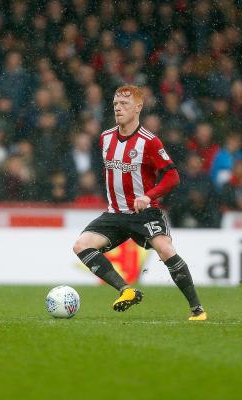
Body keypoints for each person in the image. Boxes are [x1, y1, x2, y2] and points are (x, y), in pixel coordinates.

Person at [72, 85, 207, 321]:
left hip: (144, 213)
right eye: (115, 104)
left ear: (138, 107)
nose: (118, 108)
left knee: (165, 249)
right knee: (81, 245)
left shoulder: (149, 142)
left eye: (124, 104)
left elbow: (173, 176)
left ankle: (197, 310)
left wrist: (149, 196)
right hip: (115, 214)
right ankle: (126, 290)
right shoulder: (105, 138)